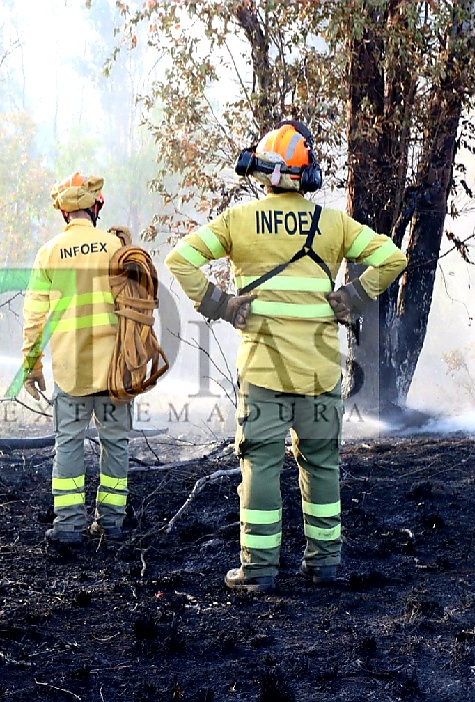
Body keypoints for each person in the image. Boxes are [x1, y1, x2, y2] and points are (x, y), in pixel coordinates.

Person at [165, 120, 407, 593]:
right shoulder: (333, 224)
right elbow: (393, 257)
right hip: (319, 376)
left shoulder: (239, 221)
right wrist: (354, 297)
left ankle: (257, 570)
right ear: (304, 174)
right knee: (321, 466)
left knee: (261, 466)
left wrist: (221, 305)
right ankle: (324, 564)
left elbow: (180, 259)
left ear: (264, 173)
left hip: (262, 374)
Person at [19, 172, 133, 545]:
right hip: (116, 368)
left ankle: (68, 525)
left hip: (72, 369)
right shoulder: (115, 247)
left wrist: (31, 365)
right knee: (115, 443)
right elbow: (139, 302)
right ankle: (112, 523)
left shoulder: (49, 252)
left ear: (64, 213)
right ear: (96, 206)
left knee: (68, 442)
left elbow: (34, 317)